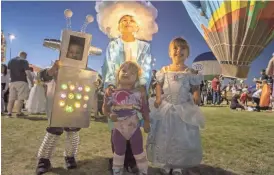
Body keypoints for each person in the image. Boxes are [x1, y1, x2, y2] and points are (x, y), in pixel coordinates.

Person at [95, 1, 158, 173]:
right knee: (117, 123)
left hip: (136, 91)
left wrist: (143, 85)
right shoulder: (113, 45)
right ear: (118, 25)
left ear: (137, 25)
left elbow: (145, 67)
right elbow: (108, 66)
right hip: (118, 91)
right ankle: (118, 157)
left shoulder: (144, 47)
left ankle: (132, 159)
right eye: (124, 20)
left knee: (134, 123)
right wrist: (109, 84)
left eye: (131, 20)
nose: (127, 22)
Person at [147, 37, 204, 175]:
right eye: (175, 48)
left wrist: (196, 94)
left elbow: (195, 86)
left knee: (181, 137)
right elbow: (159, 85)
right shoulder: (164, 70)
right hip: (166, 108)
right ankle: (166, 162)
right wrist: (159, 97)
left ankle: (178, 164)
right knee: (164, 135)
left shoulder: (190, 72)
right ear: (169, 53)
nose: (179, 51)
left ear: (188, 53)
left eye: (183, 48)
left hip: (183, 108)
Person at [103, 61, 150, 175]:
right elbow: (105, 108)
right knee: (118, 152)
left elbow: (144, 108)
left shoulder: (138, 93)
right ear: (118, 74)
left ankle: (143, 171)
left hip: (134, 128)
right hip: (118, 129)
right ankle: (117, 171)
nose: (126, 73)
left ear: (137, 78)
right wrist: (110, 115)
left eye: (132, 73)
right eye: (124, 70)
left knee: (138, 151)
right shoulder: (112, 93)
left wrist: (147, 122)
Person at [35, 60, 80, 175]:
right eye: (71, 51)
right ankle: (44, 160)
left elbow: (95, 80)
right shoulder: (55, 67)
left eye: (77, 52)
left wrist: (96, 83)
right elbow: (43, 76)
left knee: (73, 130)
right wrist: (52, 71)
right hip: (57, 105)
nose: (74, 55)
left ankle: (70, 157)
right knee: (54, 130)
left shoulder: (83, 69)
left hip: (73, 104)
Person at [7, 51, 34, 117]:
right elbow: (27, 72)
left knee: (11, 98)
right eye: (26, 56)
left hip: (12, 82)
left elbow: (8, 72)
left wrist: (9, 82)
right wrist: (31, 82)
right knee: (21, 98)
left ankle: (9, 113)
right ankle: (18, 113)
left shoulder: (10, 61)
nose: (26, 57)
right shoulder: (24, 61)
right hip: (22, 81)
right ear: (23, 55)